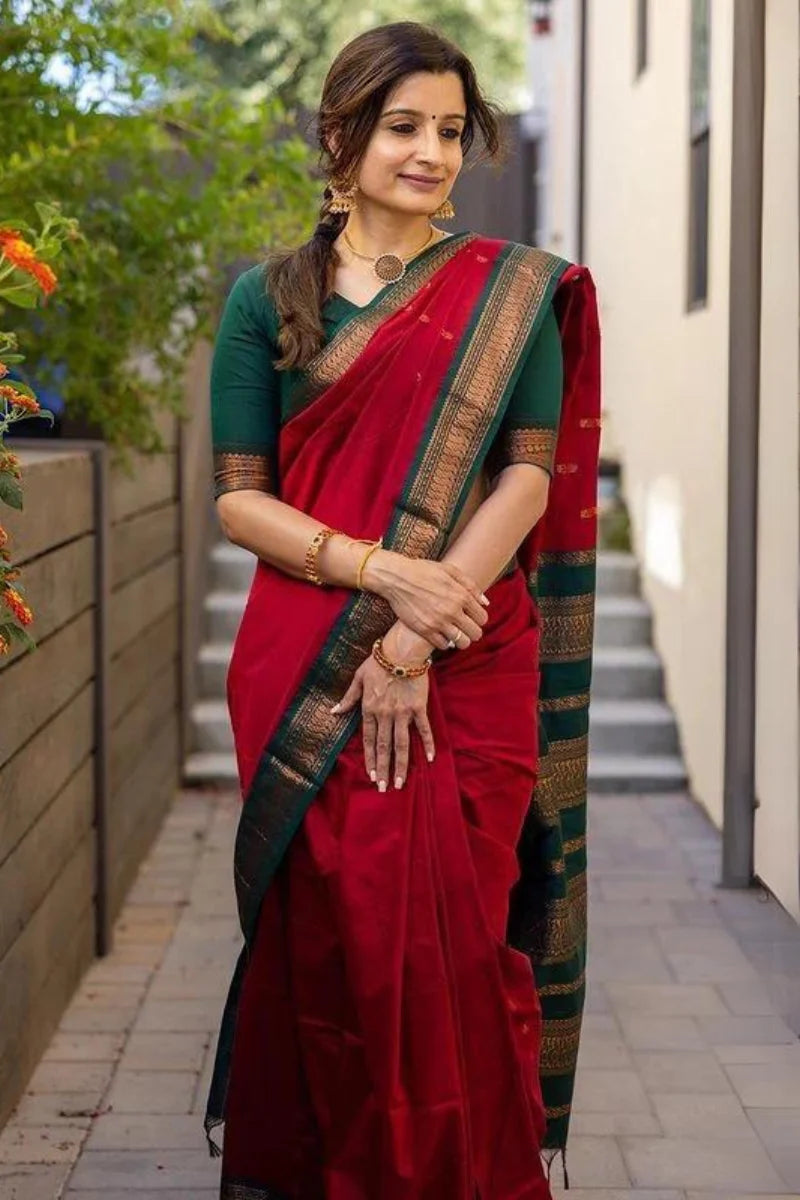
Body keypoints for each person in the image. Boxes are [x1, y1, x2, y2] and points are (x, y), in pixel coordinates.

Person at [205, 20, 601, 1200]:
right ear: (342, 135)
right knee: (339, 948)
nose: (428, 153)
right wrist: (379, 575)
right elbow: (240, 500)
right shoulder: (265, 299)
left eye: (447, 130)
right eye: (401, 128)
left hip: (469, 645)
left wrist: (422, 626)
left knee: (451, 948)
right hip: (308, 652)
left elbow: (526, 476)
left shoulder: (511, 294)